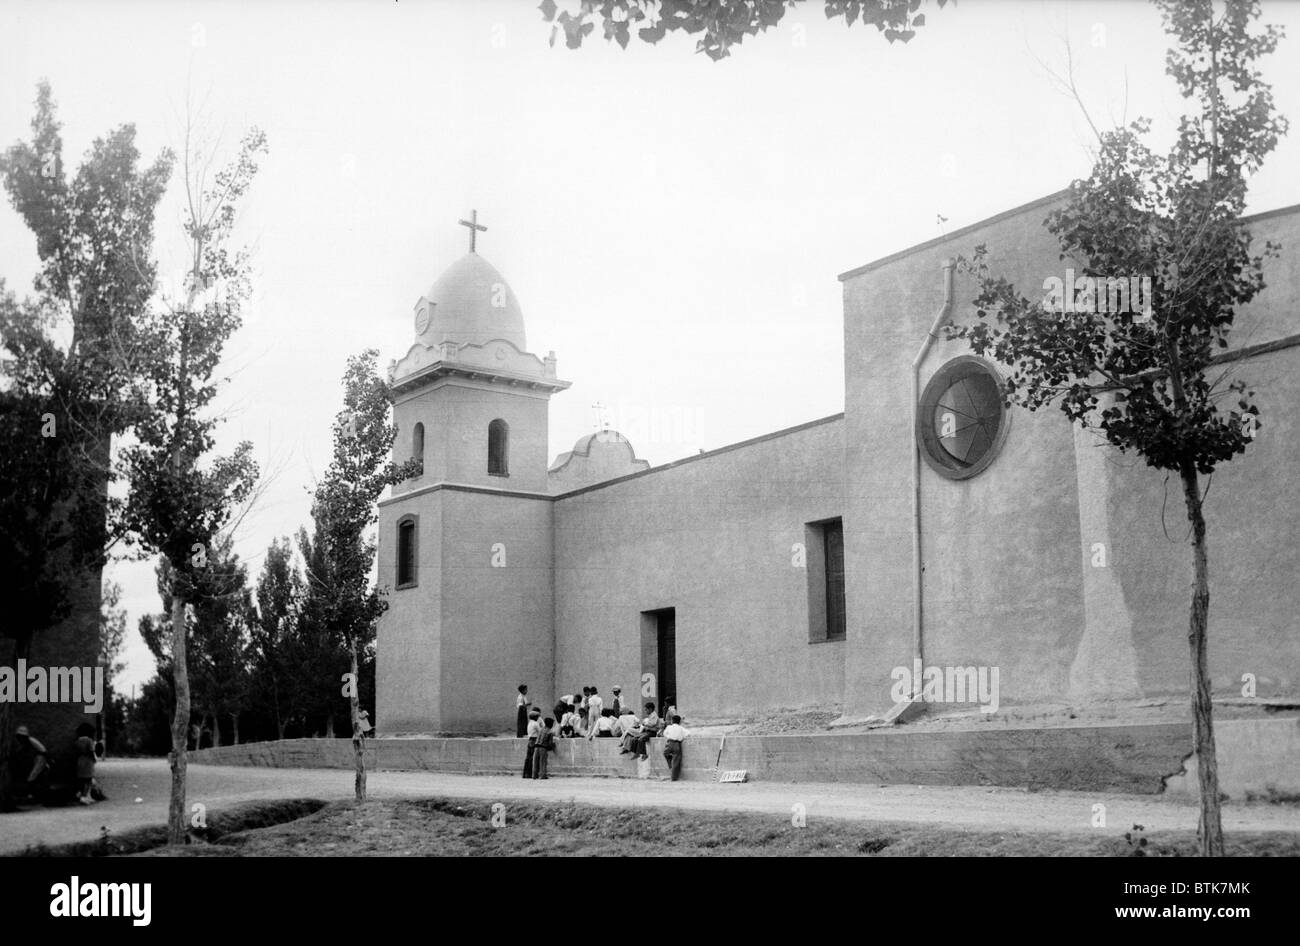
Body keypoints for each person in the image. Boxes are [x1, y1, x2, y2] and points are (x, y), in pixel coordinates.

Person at [74, 723, 97, 805]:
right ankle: (84, 796)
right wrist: (94, 759)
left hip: (80, 760)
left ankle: (81, 794)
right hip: (88, 761)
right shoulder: (89, 741)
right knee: (88, 780)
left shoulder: (77, 741)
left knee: (82, 780)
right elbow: (91, 751)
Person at [661, 715, 689, 781]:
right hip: (677, 744)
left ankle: (670, 764)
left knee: (665, 753)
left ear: (672, 721)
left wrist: (669, 736)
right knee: (676, 761)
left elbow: (664, 733)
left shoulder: (669, 727)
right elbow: (688, 733)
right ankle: (673, 778)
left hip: (670, 742)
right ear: (680, 722)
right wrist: (682, 737)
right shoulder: (681, 728)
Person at [522, 709, 542, 778]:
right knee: (533, 758)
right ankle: (531, 773)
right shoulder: (535, 723)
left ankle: (525, 774)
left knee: (528, 757)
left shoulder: (530, 723)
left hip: (530, 740)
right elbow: (540, 732)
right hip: (534, 740)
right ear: (535, 717)